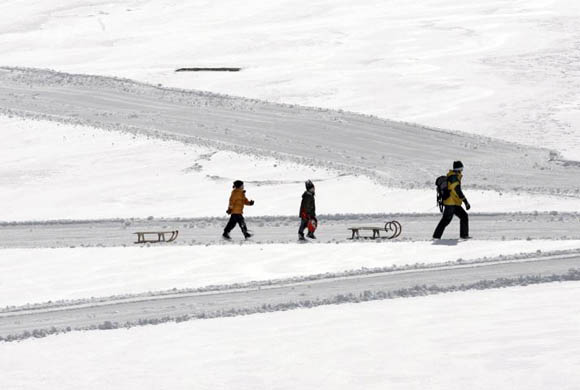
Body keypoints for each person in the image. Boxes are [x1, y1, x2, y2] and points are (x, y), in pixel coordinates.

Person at [433, 161, 471, 239]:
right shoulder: (453, 177)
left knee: (463, 216)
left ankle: (464, 235)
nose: (462, 170)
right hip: (451, 203)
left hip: (454, 202)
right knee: (446, 220)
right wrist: (465, 201)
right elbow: (457, 190)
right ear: (458, 169)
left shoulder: (454, 176)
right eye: (461, 168)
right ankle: (436, 237)